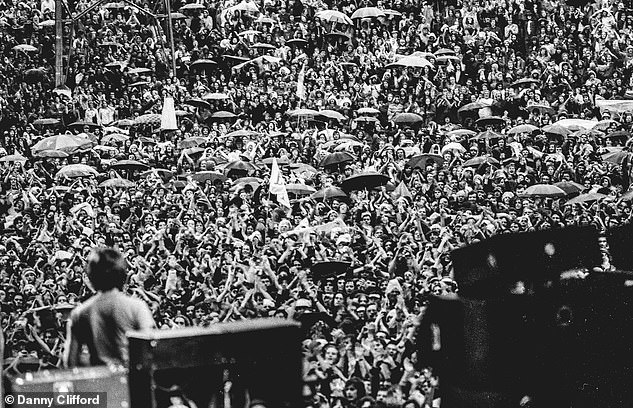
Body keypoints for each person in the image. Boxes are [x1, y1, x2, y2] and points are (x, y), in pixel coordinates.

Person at [63, 248, 155, 367]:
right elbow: (150, 350)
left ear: (91, 276)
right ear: (122, 274)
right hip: (131, 378)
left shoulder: (80, 312)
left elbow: (70, 361)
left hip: (99, 380)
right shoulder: (137, 307)